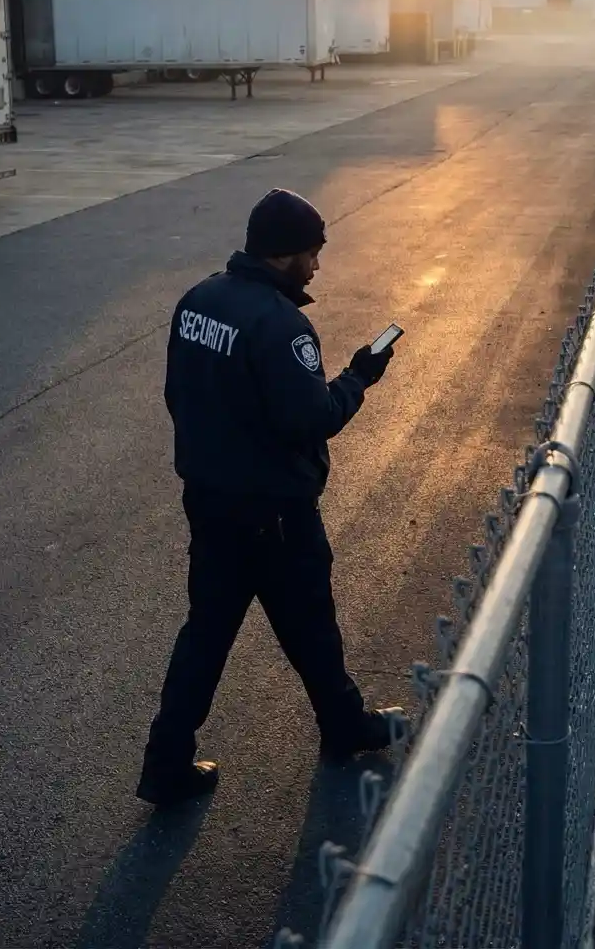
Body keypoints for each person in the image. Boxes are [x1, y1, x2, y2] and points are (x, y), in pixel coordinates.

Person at [137, 188, 404, 807]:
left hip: (209, 500)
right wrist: (359, 376)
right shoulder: (281, 325)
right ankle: (344, 726)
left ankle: (165, 760)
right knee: (311, 622)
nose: (318, 265)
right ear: (286, 255)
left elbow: (178, 394)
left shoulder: (199, 300)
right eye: (314, 252)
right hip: (274, 513)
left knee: (206, 632)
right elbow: (310, 418)